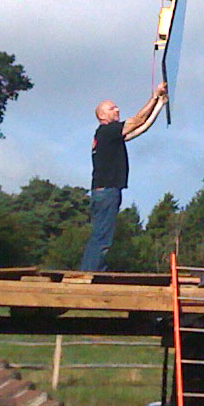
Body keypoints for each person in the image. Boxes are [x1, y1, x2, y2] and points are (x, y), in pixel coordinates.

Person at [78, 81, 167, 272]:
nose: (117, 109)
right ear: (102, 115)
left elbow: (142, 127)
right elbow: (137, 120)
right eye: (112, 108)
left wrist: (159, 105)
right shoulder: (107, 131)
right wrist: (154, 96)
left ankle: (91, 271)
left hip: (105, 192)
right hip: (107, 192)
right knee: (102, 237)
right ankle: (89, 272)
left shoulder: (108, 135)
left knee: (101, 235)